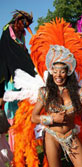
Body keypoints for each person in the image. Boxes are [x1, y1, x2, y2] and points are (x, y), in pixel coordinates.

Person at [31, 45, 82, 167]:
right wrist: (52, 119)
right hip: (52, 135)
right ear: (51, 73)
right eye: (55, 72)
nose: (58, 75)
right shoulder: (45, 92)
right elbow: (33, 117)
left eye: (62, 71)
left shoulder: (77, 92)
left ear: (68, 73)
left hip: (70, 135)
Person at [0, 10, 35, 152]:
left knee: (25, 118)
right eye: (24, 23)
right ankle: (17, 155)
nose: (26, 26)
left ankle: (26, 150)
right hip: (11, 83)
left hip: (23, 83)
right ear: (17, 21)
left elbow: (23, 57)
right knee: (14, 120)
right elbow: (7, 58)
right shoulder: (7, 34)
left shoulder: (22, 37)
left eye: (28, 24)